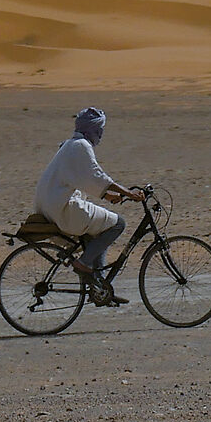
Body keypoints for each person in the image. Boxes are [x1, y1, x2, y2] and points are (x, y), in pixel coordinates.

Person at [34, 107, 146, 305]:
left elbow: (84, 179)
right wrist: (129, 194)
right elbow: (96, 176)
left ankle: (99, 288)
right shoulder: (81, 146)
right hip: (63, 210)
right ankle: (84, 264)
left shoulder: (70, 144)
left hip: (50, 205)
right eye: (100, 129)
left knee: (99, 231)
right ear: (92, 129)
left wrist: (109, 195)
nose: (101, 134)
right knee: (118, 224)